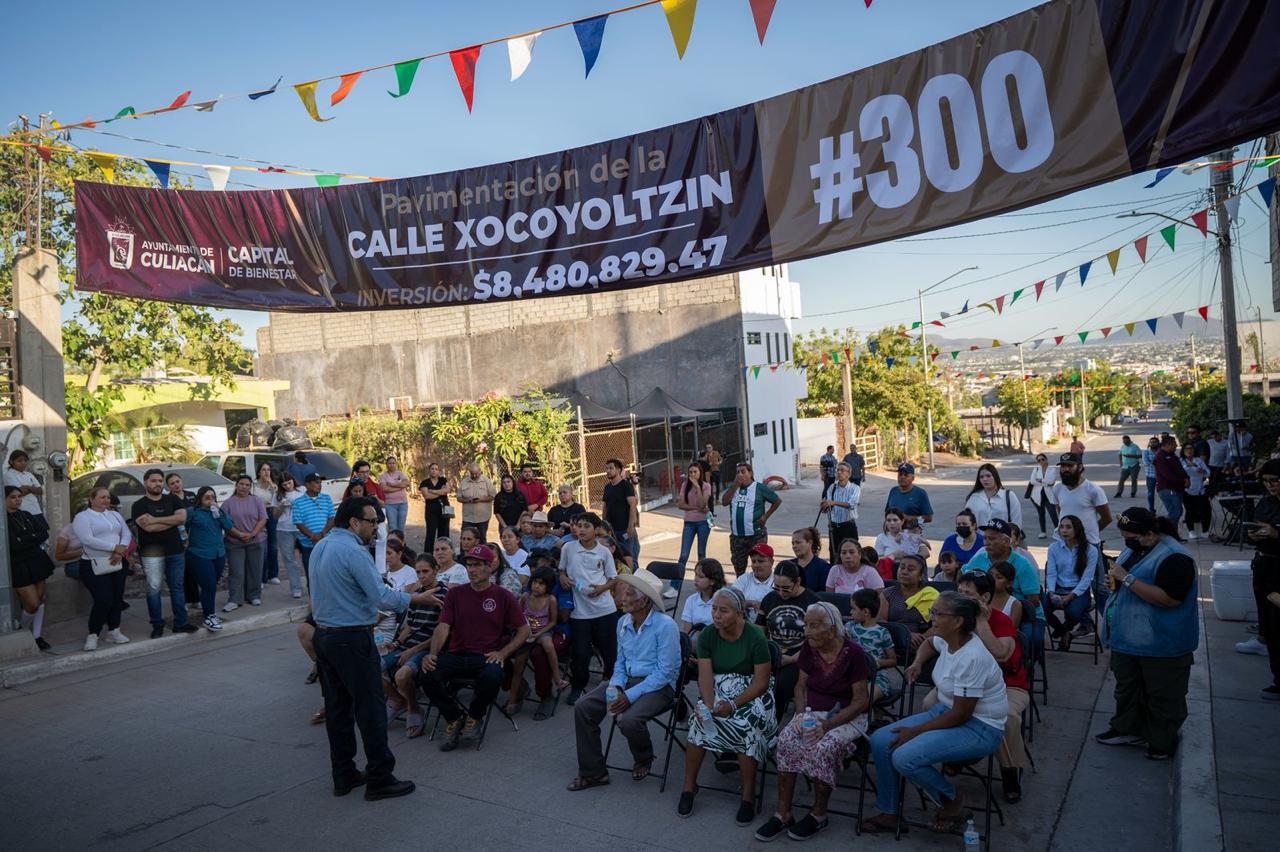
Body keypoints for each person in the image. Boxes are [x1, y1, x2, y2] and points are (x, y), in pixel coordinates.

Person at [310, 496, 433, 799]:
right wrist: (418, 598)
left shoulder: (322, 546)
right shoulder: (352, 550)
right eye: (371, 522)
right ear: (354, 522)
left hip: (326, 637)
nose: (375, 528)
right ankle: (380, 778)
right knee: (370, 709)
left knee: (339, 710)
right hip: (350, 639)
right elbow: (382, 597)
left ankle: (344, 774)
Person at [862, 592, 1007, 835]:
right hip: (946, 711)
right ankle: (889, 812)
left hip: (980, 726)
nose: (932, 618)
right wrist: (917, 663)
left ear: (959, 621)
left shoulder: (972, 657)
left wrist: (914, 731)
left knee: (903, 757)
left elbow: (961, 714)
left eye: (937, 613)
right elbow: (929, 644)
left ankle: (952, 799)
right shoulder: (948, 639)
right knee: (880, 739)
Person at [754, 602, 871, 842]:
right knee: (786, 740)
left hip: (846, 716)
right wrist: (800, 715)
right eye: (806, 625)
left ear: (831, 629)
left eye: (813, 626)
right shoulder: (809, 647)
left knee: (823, 747)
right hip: (811, 713)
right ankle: (783, 814)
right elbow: (800, 686)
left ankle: (819, 815)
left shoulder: (854, 653)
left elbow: (860, 702)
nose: (806, 631)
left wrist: (827, 725)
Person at [1096, 508, 1198, 761]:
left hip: (1162, 642)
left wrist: (1126, 579)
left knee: (1163, 694)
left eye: (1131, 536)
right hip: (1129, 639)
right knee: (1128, 688)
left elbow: (1170, 599)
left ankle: (1161, 740)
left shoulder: (1176, 558)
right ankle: (1127, 729)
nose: (1127, 541)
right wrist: (1116, 581)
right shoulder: (1137, 547)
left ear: (1150, 533)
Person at [568, 569, 681, 790]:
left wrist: (627, 696)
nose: (622, 599)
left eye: (629, 594)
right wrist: (616, 686)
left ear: (644, 600)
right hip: (627, 681)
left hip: (658, 686)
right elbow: (620, 662)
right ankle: (594, 772)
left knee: (628, 720)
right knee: (583, 707)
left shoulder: (665, 626)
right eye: (624, 593)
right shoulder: (623, 623)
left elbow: (664, 672)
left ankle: (644, 756)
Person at [678, 587, 777, 824]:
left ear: (739, 613)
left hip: (751, 692)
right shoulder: (709, 635)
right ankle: (689, 787)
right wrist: (709, 705)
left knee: (745, 725)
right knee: (698, 721)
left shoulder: (755, 636)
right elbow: (705, 676)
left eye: (723, 610)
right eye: (714, 609)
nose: (716, 615)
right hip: (718, 687)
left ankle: (748, 795)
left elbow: (761, 682)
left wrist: (732, 704)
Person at [418, 544, 530, 751]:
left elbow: (524, 630)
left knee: (493, 676)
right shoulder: (456, 594)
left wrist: (503, 653)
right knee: (426, 673)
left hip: (486, 655)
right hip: (456, 654)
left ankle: (475, 716)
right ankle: (453, 717)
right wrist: (432, 654)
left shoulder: (503, 596)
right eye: (469, 565)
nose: (471, 570)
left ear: (490, 566)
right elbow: (443, 626)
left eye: (477, 565)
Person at [953, 571, 1030, 803]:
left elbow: (1001, 654)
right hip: (966, 683)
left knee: (1005, 716)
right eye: (959, 592)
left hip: (1008, 684)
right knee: (931, 702)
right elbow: (934, 641)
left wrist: (981, 622)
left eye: (968, 594)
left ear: (984, 597)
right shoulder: (955, 618)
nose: (961, 598)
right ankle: (958, 754)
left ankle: (1009, 772)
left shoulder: (1000, 620)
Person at [559, 512, 620, 705]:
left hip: (604, 610)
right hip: (579, 612)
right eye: (578, 526)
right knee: (580, 653)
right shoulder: (568, 548)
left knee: (609, 651)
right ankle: (578, 686)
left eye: (586, 526)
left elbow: (613, 578)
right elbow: (562, 569)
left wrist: (602, 588)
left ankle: (610, 683)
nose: (581, 530)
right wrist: (561, 576)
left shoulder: (604, 552)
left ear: (596, 529)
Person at [382, 554, 446, 738]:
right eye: (418, 572)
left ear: (436, 570)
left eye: (425, 571)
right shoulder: (417, 595)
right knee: (370, 667)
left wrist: (412, 650)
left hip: (426, 648)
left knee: (402, 676)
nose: (421, 576)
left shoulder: (445, 595)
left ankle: (413, 708)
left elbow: (440, 633)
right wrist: (397, 642)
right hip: (408, 645)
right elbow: (409, 625)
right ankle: (397, 700)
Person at [131, 468, 195, 637]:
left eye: (160, 481)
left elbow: (181, 518)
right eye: (153, 481)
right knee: (154, 590)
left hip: (175, 551)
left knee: (177, 588)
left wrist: (156, 519)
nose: (157, 484)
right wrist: (170, 521)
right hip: (152, 554)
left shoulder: (172, 499)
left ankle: (181, 623)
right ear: (145, 482)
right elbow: (148, 528)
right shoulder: (139, 505)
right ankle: (157, 625)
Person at [1053, 452, 1112, 624]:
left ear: (1079, 467)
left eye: (1069, 466)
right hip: (1065, 547)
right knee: (1071, 586)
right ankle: (1086, 624)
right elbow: (1060, 512)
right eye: (1063, 466)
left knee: (1099, 589)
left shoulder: (1093, 490)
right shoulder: (1057, 489)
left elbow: (1107, 518)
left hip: (1090, 547)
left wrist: (1086, 536)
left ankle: (1111, 628)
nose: (1065, 469)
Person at [961, 519, 1043, 642]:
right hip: (983, 612)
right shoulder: (979, 558)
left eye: (992, 539)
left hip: (1024, 616)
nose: (986, 543)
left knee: (1027, 640)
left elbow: (1033, 600)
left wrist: (1008, 609)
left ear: (1006, 541)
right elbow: (962, 579)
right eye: (985, 538)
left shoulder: (1022, 564)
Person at [72, 486, 132, 651]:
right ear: (91, 499)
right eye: (102, 497)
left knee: (117, 598)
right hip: (94, 563)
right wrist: (114, 547)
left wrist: (120, 551)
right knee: (103, 599)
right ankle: (93, 634)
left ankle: (114, 630)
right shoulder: (82, 517)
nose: (106, 500)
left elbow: (126, 534)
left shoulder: (115, 514)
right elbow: (87, 539)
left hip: (117, 561)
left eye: (108, 497)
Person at [758, 561, 820, 719]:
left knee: (779, 685)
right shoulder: (769, 599)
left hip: (801, 655)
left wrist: (792, 658)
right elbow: (759, 632)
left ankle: (772, 726)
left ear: (798, 581)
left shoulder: (812, 602)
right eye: (776, 587)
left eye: (785, 588)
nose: (780, 593)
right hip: (772, 653)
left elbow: (817, 642)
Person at [506, 564, 566, 713]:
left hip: (542, 632)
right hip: (525, 633)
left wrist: (537, 635)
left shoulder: (551, 600)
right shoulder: (524, 597)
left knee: (548, 645)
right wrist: (523, 633)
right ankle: (513, 698)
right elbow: (518, 617)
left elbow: (552, 622)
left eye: (541, 584)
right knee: (518, 666)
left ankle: (557, 679)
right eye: (534, 582)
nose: (536, 586)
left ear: (549, 586)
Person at [1246, 459, 1280, 700]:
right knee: (1268, 623)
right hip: (1264, 566)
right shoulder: (1266, 503)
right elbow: (1255, 529)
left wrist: (1276, 532)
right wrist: (1254, 535)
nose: (1270, 486)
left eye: (1275, 481)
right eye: (1266, 482)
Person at [5, 485, 55, 650]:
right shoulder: (3, 519)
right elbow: (13, 545)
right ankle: (22, 630)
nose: (18, 499)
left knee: (40, 599)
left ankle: (36, 636)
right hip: (19, 564)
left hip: (37, 560)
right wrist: (32, 538)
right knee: (32, 603)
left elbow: (44, 533)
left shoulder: (26, 514)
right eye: (13, 497)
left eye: (19, 496)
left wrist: (25, 539)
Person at [1045, 515, 1098, 650]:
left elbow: (1087, 579)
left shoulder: (1090, 550)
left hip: (1079, 592)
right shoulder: (1053, 548)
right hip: (1057, 588)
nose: (1064, 530)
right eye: (1061, 527)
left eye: (1068, 527)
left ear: (1077, 529)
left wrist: (1070, 597)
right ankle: (1063, 632)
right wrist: (1051, 592)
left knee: (1073, 612)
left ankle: (1064, 630)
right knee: (1040, 608)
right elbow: (1051, 573)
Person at [186, 485, 233, 631]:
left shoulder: (217, 512)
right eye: (207, 497)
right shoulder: (192, 512)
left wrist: (219, 511)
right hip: (199, 554)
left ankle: (208, 612)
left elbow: (229, 526)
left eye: (213, 497)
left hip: (218, 553)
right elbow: (181, 527)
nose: (210, 500)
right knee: (209, 585)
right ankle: (209, 616)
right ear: (200, 499)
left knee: (211, 585)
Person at [722, 461, 781, 576]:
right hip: (737, 536)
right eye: (737, 472)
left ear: (750, 473)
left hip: (756, 534)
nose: (740, 475)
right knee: (739, 568)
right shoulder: (734, 489)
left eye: (743, 472)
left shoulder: (759, 488)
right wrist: (734, 486)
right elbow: (724, 502)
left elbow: (777, 500)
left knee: (761, 565)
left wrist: (766, 516)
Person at [222, 475, 267, 613]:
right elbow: (225, 523)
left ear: (250, 487)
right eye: (241, 484)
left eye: (247, 485)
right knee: (237, 572)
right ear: (236, 485)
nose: (244, 487)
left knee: (255, 570)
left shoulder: (256, 500)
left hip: (256, 540)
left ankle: (253, 595)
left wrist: (252, 533)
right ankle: (234, 600)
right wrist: (239, 534)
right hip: (235, 542)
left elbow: (263, 519)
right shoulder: (228, 503)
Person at [878, 554, 937, 649]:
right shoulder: (887, 594)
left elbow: (938, 625)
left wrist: (922, 640)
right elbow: (881, 621)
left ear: (921, 576)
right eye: (902, 567)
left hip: (923, 643)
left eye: (910, 569)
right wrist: (906, 634)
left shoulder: (930, 595)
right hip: (892, 640)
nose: (904, 572)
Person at [848, 589, 896, 704]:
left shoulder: (882, 633)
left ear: (865, 612)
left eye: (853, 608)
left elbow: (893, 660)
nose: (850, 612)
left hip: (877, 677)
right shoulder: (849, 627)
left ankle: (868, 718)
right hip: (853, 674)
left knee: (863, 698)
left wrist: (877, 662)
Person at [293, 473, 336, 581]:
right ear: (307, 485)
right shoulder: (298, 502)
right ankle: (314, 597)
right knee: (312, 575)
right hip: (308, 545)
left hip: (326, 542)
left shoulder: (326, 498)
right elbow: (299, 523)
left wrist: (322, 534)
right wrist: (313, 536)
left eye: (320, 483)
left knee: (328, 574)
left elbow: (332, 518)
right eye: (316, 483)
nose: (319, 485)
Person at [676, 461, 713, 572]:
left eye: (695, 472)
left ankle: (702, 582)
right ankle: (675, 585)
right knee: (683, 555)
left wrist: (697, 487)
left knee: (701, 553)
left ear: (700, 473)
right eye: (690, 472)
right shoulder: (685, 486)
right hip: (689, 523)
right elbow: (681, 505)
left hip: (703, 522)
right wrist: (698, 509)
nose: (692, 474)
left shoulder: (706, 486)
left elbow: (703, 503)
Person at [274, 472, 306, 599]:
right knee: (289, 560)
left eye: (289, 482)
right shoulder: (279, 495)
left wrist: (296, 504)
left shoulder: (302, 490)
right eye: (284, 484)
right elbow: (275, 515)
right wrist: (281, 506)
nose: (287, 486)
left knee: (308, 557)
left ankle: (312, 585)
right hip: (284, 529)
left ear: (293, 480)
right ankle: (296, 588)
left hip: (302, 527)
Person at [601, 458, 640, 563]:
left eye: (611, 468)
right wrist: (603, 524)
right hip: (611, 530)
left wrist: (631, 526)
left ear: (618, 470)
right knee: (615, 558)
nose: (608, 471)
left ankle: (633, 578)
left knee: (630, 558)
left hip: (624, 529)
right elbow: (605, 506)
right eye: (607, 468)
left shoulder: (626, 486)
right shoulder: (607, 487)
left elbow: (632, 505)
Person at [963, 463, 1023, 529]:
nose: (985, 479)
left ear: (995, 476)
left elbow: (1017, 523)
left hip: (1002, 538)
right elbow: (966, 521)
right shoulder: (974, 497)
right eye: (981, 477)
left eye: (988, 476)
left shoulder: (1009, 496)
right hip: (980, 538)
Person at [821, 461, 860, 561]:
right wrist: (824, 506)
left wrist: (833, 502)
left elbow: (851, 504)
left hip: (848, 526)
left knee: (851, 554)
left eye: (842, 470)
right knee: (834, 554)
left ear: (849, 474)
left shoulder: (855, 488)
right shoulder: (832, 487)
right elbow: (829, 507)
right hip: (834, 527)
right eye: (837, 470)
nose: (839, 472)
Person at [731, 542, 777, 622]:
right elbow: (730, 600)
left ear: (772, 562)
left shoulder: (778, 582)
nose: (756, 565)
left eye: (761, 561)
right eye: (753, 561)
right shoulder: (745, 578)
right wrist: (752, 603)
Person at [253, 463, 281, 588]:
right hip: (258, 515)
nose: (266, 472)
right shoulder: (253, 485)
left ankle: (273, 574)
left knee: (273, 545)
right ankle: (261, 577)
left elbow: (277, 500)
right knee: (262, 546)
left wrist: (271, 485)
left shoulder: (272, 486)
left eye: (268, 470)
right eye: (263, 469)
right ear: (259, 472)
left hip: (271, 513)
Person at [681, 558, 726, 633]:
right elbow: (687, 632)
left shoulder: (723, 600)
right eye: (695, 574)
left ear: (712, 581)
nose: (696, 579)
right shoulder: (691, 600)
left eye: (701, 577)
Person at [457, 462, 496, 540]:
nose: (474, 476)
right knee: (465, 539)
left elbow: (493, 496)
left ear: (480, 471)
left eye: (476, 473)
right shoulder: (464, 482)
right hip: (468, 518)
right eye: (472, 474)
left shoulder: (486, 481)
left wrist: (481, 499)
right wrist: (467, 500)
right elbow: (458, 498)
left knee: (481, 540)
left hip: (482, 517)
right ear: (469, 472)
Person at [1180, 443, 1211, 540]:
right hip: (1187, 490)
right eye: (1187, 449)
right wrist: (1191, 468)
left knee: (1205, 510)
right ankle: (1191, 531)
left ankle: (1205, 531)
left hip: (1200, 489)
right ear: (1183, 451)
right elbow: (1182, 472)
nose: (1189, 451)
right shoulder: (1180, 461)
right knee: (1190, 511)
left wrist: (1200, 469)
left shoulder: (1199, 460)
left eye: (1191, 449)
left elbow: (1208, 472)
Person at [417, 463, 451, 551]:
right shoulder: (425, 482)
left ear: (438, 471)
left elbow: (447, 490)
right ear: (429, 470)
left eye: (436, 469)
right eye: (432, 469)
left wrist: (433, 491)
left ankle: (445, 553)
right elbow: (427, 496)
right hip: (431, 511)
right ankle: (428, 555)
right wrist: (441, 492)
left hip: (445, 509)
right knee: (430, 534)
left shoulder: (443, 480)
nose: (434, 471)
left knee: (444, 533)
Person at [1027, 453, 1060, 538]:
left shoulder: (1052, 469)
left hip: (1049, 496)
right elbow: (1032, 481)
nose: (1041, 461)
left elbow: (1051, 481)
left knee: (1053, 513)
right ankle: (1043, 532)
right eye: (1039, 460)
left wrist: (1040, 481)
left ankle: (1059, 531)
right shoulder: (1036, 469)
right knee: (1041, 514)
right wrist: (1045, 482)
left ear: (1046, 459)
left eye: (1042, 459)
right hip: (1037, 496)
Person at [377, 456, 410, 535]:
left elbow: (407, 483)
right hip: (390, 505)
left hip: (403, 504)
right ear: (386, 464)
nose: (391, 465)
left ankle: (401, 545)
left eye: (393, 463)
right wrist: (400, 487)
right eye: (389, 463)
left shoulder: (400, 473)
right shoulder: (383, 476)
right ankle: (392, 546)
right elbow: (384, 489)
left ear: (396, 464)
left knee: (401, 527)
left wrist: (392, 484)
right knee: (392, 527)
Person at [790, 527, 830, 594]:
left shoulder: (823, 567)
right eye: (793, 543)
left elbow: (823, 594)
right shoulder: (789, 565)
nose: (794, 546)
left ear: (810, 543)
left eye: (798, 542)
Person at [5, 450, 44, 515]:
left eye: (25, 461)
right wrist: (33, 489)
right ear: (11, 462)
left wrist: (27, 487)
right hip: (22, 511)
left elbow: (40, 491)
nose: (23, 463)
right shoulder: (9, 475)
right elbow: (18, 493)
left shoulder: (29, 474)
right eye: (19, 461)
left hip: (36, 509)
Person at [989, 562, 1025, 629]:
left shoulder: (1015, 604)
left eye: (999, 577)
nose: (992, 579)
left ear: (1009, 583)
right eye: (990, 575)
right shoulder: (980, 598)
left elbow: (1011, 630)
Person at [1141, 436, 1160, 513]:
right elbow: (1146, 463)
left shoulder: (1161, 451)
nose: (1153, 443)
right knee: (1150, 494)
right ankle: (1151, 509)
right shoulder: (1146, 452)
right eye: (1151, 442)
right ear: (1149, 443)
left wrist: (1153, 462)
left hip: (1161, 476)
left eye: (1155, 442)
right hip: (1150, 476)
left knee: (1163, 493)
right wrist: (1156, 462)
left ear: (1158, 443)